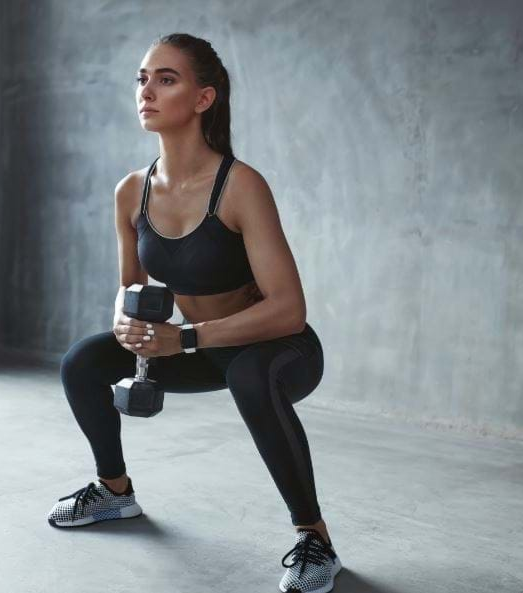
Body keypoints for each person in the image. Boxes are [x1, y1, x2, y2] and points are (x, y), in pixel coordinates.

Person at [47, 33, 341, 593]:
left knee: (251, 374)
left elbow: (289, 311)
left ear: (204, 98)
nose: (146, 91)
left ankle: (315, 540)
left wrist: (182, 340)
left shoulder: (240, 186)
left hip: (276, 350)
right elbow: (130, 284)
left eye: (166, 79)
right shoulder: (131, 190)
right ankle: (114, 492)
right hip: (200, 350)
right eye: (142, 79)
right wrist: (125, 323)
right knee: (83, 361)